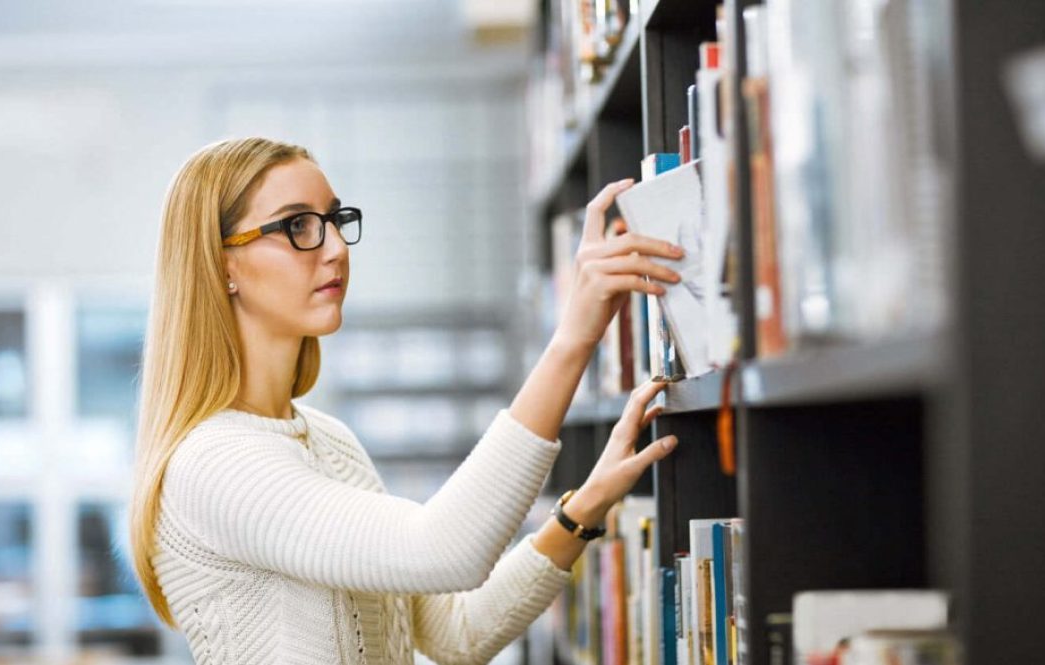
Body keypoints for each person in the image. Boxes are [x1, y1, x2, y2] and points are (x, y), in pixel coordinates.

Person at [128, 137, 685, 663]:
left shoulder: (328, 441)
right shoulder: (213, 464)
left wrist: (582, 509)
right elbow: (444, 551)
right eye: (299, 225)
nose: (337, 248)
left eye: (335, 220)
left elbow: (456, 633)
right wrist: (574, 338)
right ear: (222, 263)